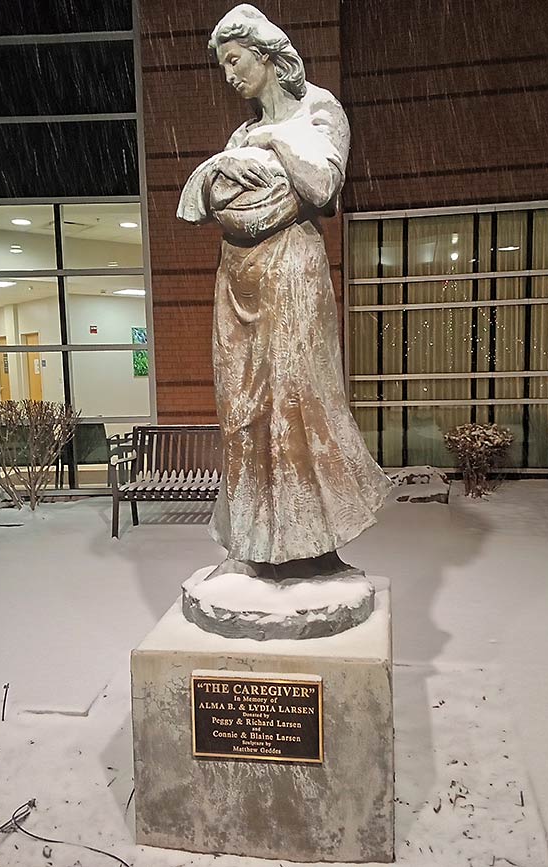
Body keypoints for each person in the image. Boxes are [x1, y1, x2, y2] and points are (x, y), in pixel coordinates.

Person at [177, 4, 391, 578]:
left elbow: (323, 185)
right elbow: (196, 205)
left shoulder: (319, 109)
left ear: (267, 54)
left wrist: (273, 139)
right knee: (242, 410)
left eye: (235, 59)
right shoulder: (240, 132)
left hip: (293, 274)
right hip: (238, 280)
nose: (229, 75)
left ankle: (314, 543)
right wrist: (215, 168)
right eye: (222, 64)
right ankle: (253, 542)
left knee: (299, 402)